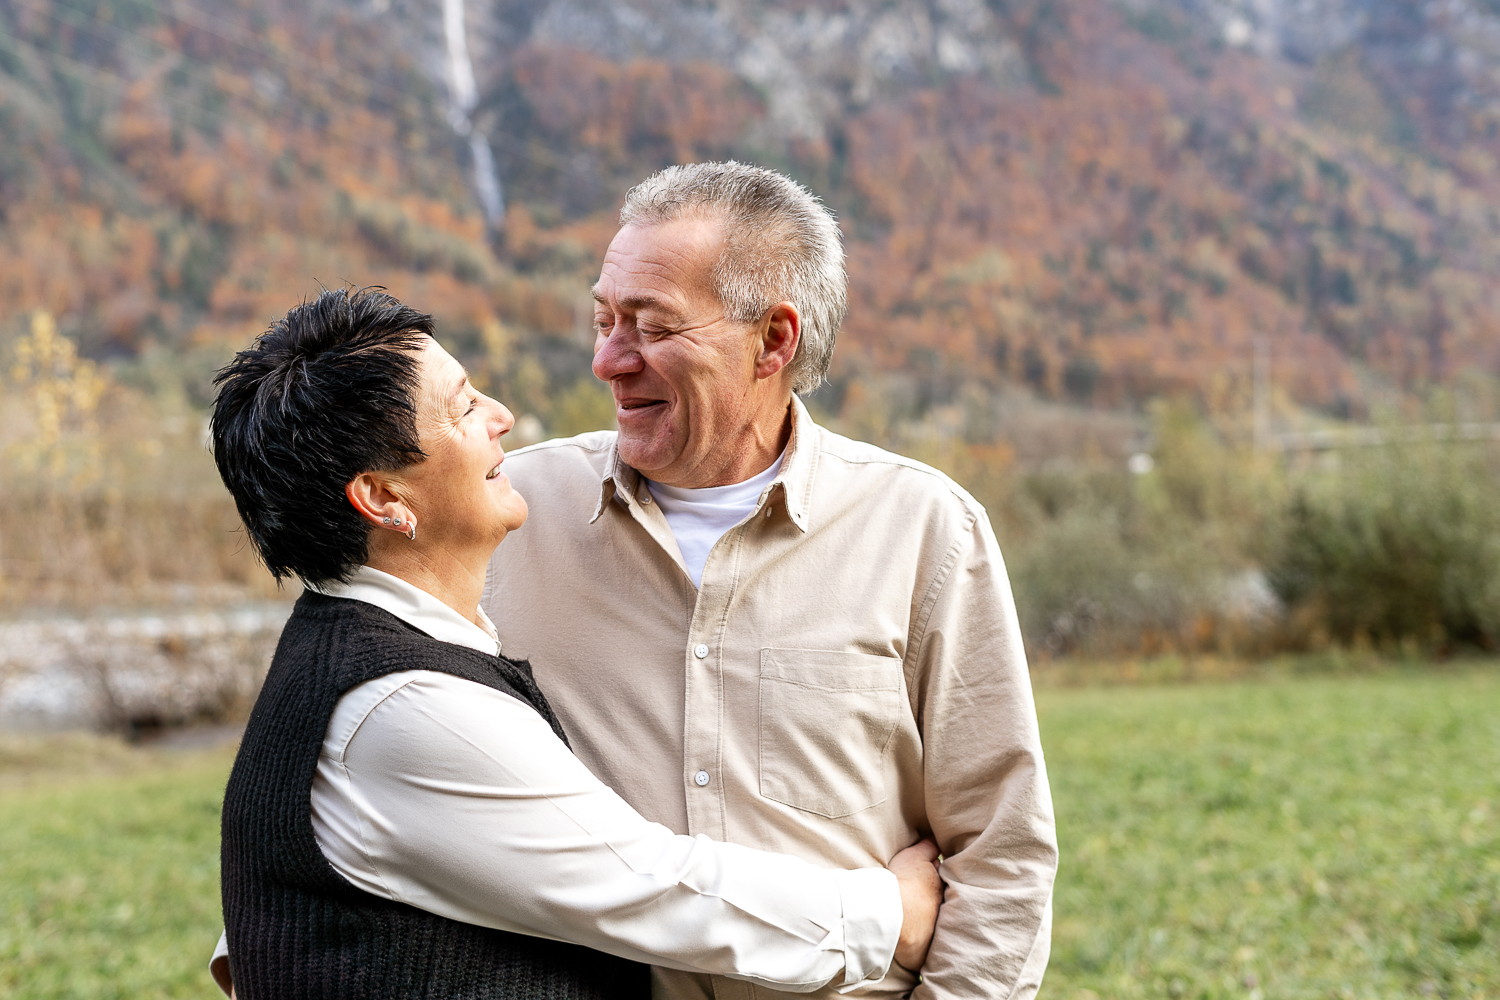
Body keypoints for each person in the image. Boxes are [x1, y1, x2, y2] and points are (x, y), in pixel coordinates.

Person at [207, 287, 944, 999]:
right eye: (464, 407)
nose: (501, 416)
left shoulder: (356, 647)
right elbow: (652, 888)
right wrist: (892, 917)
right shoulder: (404, 706)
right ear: (385, 498)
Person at [483, 162, 1057, 1000]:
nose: (609, 360)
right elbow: (372, 727)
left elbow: (999, 855)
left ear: (774, 342)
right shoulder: (507, 517)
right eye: (604, 319)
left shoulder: (925, 528)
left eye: (652, 326)